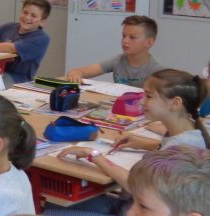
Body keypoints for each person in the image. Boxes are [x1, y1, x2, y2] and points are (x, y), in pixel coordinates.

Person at [60, 68, 210, 193]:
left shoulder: (180, 146)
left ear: (175, 103)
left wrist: (93, 155)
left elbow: (138, 188)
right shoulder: (188, 130)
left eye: (149, 96)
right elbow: (169, 150)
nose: (141, 101)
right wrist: (142, 144)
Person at [65, 15, 164, 88]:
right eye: (124, 36)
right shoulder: (118, 60)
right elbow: (85, 71)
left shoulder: (156, 70)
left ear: (149, 42)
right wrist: (75, 73)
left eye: (132, 37)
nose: (125, 41)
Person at [0, 0, 52, 86]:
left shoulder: (41, 38)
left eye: (33, 16)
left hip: (18, 79)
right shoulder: (6, 27)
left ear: (42, 22)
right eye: (25, 12)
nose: (27, 17)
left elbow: (12, 48)